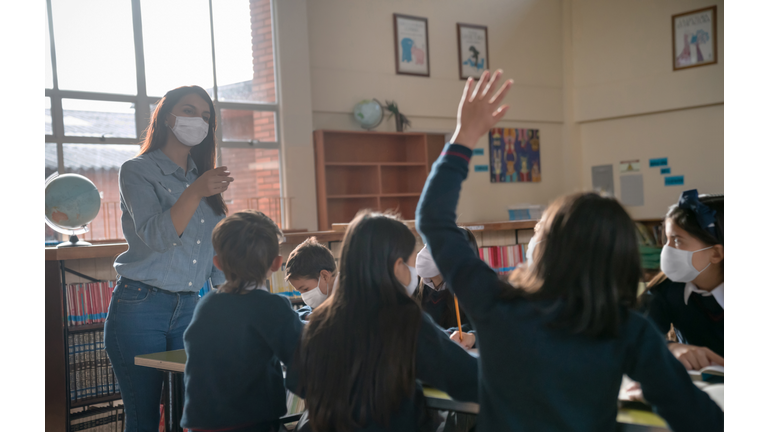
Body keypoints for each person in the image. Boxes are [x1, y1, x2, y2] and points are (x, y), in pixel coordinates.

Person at [415, 69, 724, 431]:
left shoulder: (496, 302)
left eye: (541, 228)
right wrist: (659, 386)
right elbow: (702, 418)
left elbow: (433, 219)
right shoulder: (624, 327)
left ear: (552, 248)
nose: (534, 233)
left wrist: (464, 136)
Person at [104, 85, 233, 432]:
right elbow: (158, 236)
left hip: (192, 308)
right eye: (189, 110)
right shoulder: (137, 170)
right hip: (140, 308)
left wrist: (230, 297)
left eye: (206, 116)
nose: (199, 121)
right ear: (166, 116)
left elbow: (215, 249)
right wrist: (195, 192)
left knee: (185, 418)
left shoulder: (203, 179)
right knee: (144, 418)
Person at [288, 210, 479, 432]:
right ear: (397, 266)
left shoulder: (318, 321)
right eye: (409, 261)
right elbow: (467, 377)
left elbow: (297, 382)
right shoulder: (402, 319)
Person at [182, 210, 305, 432]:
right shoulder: (272, 306)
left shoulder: (206, 304)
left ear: (217, 263)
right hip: (252, 423)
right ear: (277, 264)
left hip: (200, 424)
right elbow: (303, 362)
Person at [639, 191, 724, 370]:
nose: (666, 250)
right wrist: (670, 348)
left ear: (716, 253)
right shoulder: (667, 289)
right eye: (666, 240)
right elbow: (634, 335)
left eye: (677, 241)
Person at [415, 227, 478, 349]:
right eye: (428, 244)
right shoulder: (412, 287)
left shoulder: (474, 291)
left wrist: (471, 337)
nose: (426, 251)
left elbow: (485, 327)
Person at [285, 237, 338, 321]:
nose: (304, 296)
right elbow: (308, 310)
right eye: (300, 291)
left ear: (324, 276)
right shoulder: (326, 294)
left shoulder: (349, 298)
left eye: (305, 289)